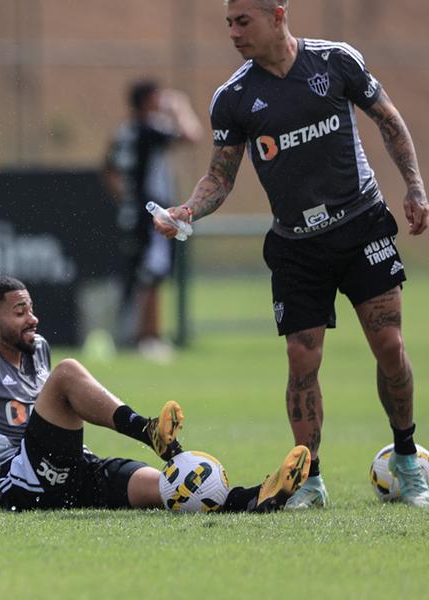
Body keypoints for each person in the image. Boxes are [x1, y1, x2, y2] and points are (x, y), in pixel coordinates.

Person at [152, 0, 429, 508]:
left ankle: (409, 463)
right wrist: (189, 209)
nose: (233, 33)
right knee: (302, 360)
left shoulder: (335, 61)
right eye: (228, 24)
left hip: (361, 225)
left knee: (389, 344)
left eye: (243, 21)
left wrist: (414, 186)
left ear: (278, 15)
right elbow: (220, 176)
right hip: (297, 245)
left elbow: (388, 121)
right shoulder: (234, 98)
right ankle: (309, 478)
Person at [0, 276, 310, 513]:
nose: (33, 319)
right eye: (20, 312)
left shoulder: (38, 347)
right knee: (66, 374)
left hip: (72, 471)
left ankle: (256, 498)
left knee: (170, 487)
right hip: (21, 484)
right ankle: (148, 430)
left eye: (31, 309)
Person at [102, 79, 202, 360]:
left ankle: (139, 336)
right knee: (152, 274)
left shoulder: (125, 131)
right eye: (158, 97)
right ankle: (148, 338)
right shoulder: (150, 128)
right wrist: (180, 106)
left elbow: (109, 170)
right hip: (151, 215)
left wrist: (128, 200)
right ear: (148, 101)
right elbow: (192, 135)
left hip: (133, 213)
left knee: (140, 273)